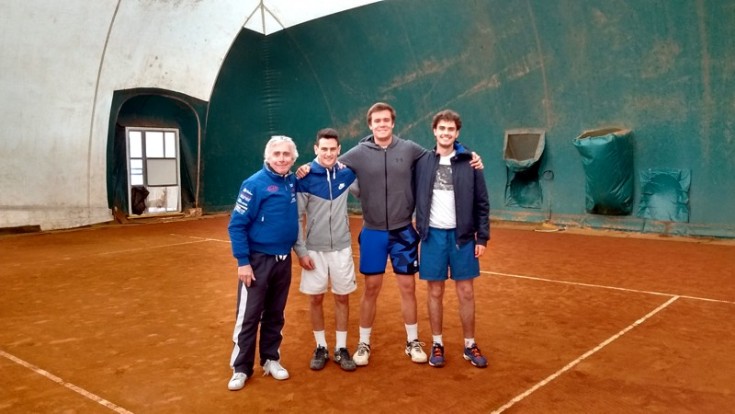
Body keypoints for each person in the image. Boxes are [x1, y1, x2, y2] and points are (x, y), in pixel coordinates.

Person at [298, 103, 481, 367]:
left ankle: (412, 341)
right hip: (373, 232)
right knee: (371, 288)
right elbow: (329, 162)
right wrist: (305, 167)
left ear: (393, 123)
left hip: (403, 231)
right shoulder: (358, 153)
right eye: (377, 121)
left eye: (386, 120)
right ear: (370, 125)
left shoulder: (409, 149)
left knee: (407, 287)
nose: (382, 124)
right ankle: (363, 343)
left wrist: (468, 155)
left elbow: (439, 151)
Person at [414, 110, 490, 368]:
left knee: (466, 291)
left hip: (463, 237)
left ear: (457, 134)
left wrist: (483, 238)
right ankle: (437, 343)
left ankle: (470, 345)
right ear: (434, 131)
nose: (445, 133)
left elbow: (482, 202)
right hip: (432, 236)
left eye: (451, 129)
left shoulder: (471, 162)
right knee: (435, 291)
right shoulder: (422, 161)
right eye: (441, 128)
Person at [226, 135, 300, 391]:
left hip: (283, 260)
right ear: (267, 157)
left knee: (275, 313)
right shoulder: (254, 184)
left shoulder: (292, 180)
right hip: (257, 262)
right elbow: (236, 225)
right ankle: (240, 367)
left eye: (286, 154)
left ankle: (270, 358)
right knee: (248, 316)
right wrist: (243, 262)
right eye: (276, 154)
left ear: (293, 158)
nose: (281, 158)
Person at [294, 128, 359, 372]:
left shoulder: (347, 173)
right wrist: (301, 251)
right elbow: (298, 216)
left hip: (342, 248)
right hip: (314, 250)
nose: (329, 153)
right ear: (316, 149)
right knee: (316, 298)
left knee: (342, 297)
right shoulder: (304, 177)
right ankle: (320, 346)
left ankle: (341, 348)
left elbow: (365, 192)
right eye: (324, 149)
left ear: (339, 149)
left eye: (333, 149)